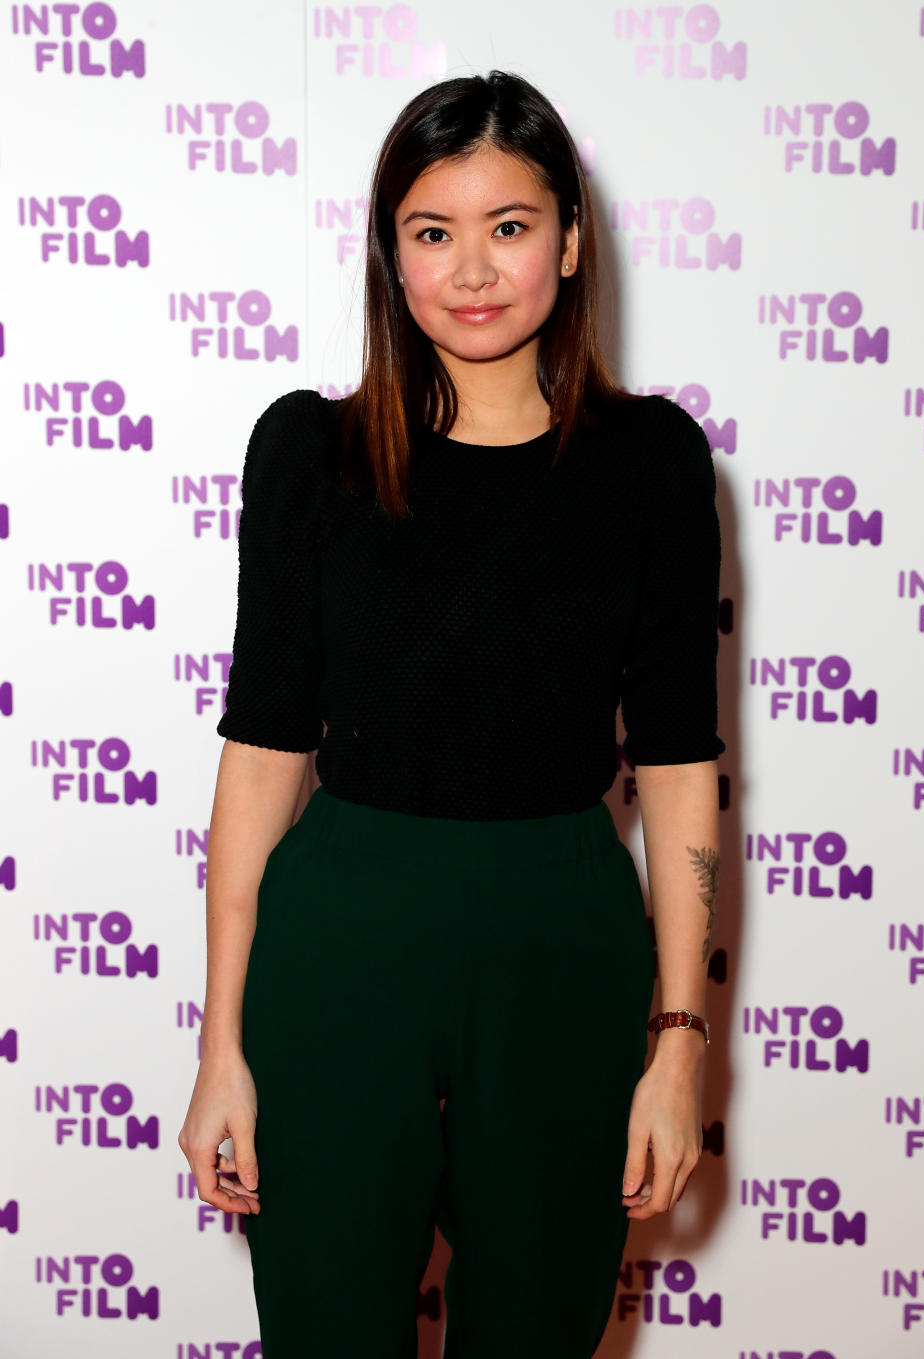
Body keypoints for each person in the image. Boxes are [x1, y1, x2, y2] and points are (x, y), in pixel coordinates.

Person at [178, 69, 724, 1359]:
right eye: (433, 232)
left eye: (511, 226)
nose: (472, 270)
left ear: (571, 239)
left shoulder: (652, 462)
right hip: (341, 949)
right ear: (391, 255)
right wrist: (222, 1048)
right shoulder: (308, 452)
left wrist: (681, 1047)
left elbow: (683, 769)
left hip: (563, 947)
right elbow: (259, 764)